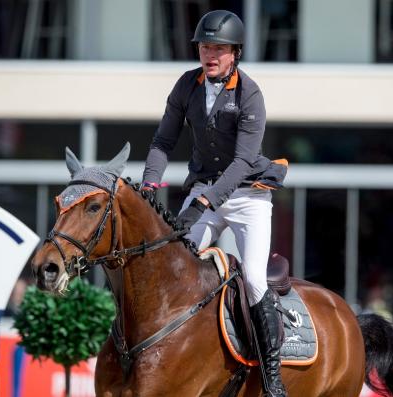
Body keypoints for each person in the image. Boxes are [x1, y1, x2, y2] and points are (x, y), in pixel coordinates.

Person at [141, 10, 287, 397]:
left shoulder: (250, 94)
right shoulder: (187, 85)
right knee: (173, 266)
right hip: (204, 190)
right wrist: (149, 184)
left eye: (219, 48)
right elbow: (162, 142)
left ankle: (272, 376)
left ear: (235, 53)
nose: (210, 54)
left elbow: (241, 163)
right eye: (206, 47)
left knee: (254, 278)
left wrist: (204, 200)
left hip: (248, 197)